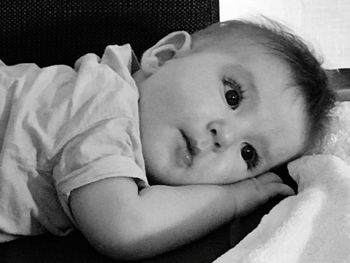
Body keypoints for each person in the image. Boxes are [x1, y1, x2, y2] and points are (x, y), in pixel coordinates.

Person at [0, 18, 335, 259]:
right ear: (165, 56)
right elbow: (125, 227)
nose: (226, 137)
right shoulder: (103, 104)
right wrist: (236, 198)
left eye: (249, 154)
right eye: (233, 96)